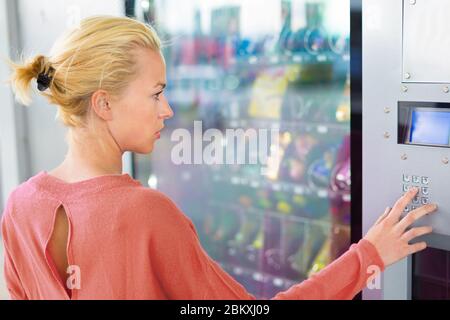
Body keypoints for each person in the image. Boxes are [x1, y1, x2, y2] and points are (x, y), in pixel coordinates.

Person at [1, 16, 437, 300]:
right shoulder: (142, 214)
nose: (168, 109)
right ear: (103, 104)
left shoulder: (20, 206)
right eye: (156, 93)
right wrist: (369, 254)